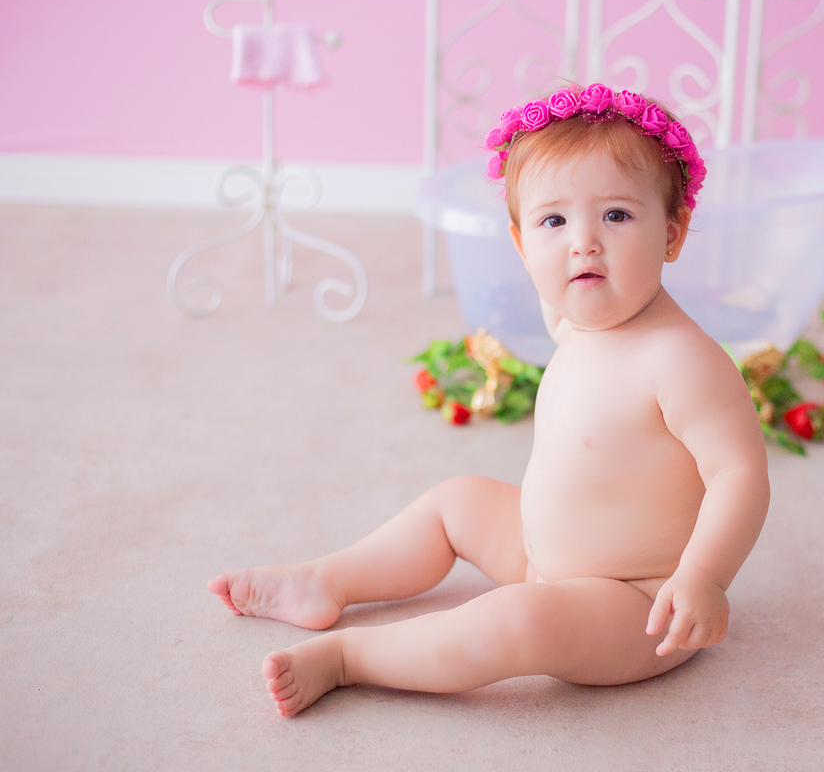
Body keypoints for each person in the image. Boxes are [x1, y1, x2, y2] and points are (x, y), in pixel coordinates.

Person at [208, 83, 770, 717]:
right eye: (554, 221)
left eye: (616, 215)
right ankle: (324, 580)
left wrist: (703, 578)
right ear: (522, 245)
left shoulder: (681, 359)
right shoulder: (577, 321)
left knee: (518, 620)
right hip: (538, 554)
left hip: (636, 602)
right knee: (456, 501)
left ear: (672, 232)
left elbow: (739, 474)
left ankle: (348, 658)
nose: (583, 242)